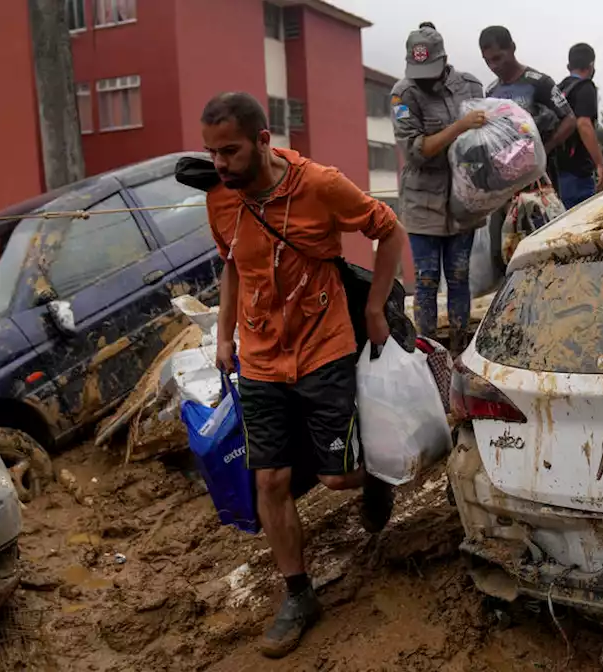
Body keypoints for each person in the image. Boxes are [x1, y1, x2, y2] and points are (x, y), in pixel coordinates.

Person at [200, 92, 407, 660]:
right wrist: (224, 338)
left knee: (338, 478)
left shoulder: (320, 185)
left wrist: (373, 309)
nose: (219, 164)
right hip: (261, 360)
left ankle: (377, 479)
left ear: (264, 141)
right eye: (212, 152)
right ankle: (298, 595)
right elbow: (233, 270)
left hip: (324, 348)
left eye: (231, 151)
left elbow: (388, 231)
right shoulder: (221, 201)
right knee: (269, 480)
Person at [390, 22, 485, 351]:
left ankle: (459, 349)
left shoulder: (471, 86)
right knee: (427, 282)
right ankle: (429, 352)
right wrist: (459, 127)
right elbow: (416, 151)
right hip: (422, 203)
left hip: (462, 199)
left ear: (444, 61)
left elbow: (485, 137)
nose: (425, 78)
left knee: (459, 277)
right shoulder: (403, 94)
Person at [479, 26, 577, 157]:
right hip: (507, 169)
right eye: (487, 61)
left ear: (512, 48)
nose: (493, 66)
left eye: (497, 58)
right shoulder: (491, 92)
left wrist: (544, 149)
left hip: (541, 172)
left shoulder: (540, 82)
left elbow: (570, 120)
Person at [554, 42, 603, 208]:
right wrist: (600, 164)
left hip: (556, 171)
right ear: (591, 65)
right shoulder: (585, 87)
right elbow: (584, 124)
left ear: (568, 66)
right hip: (578, 172)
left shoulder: (558, 90)